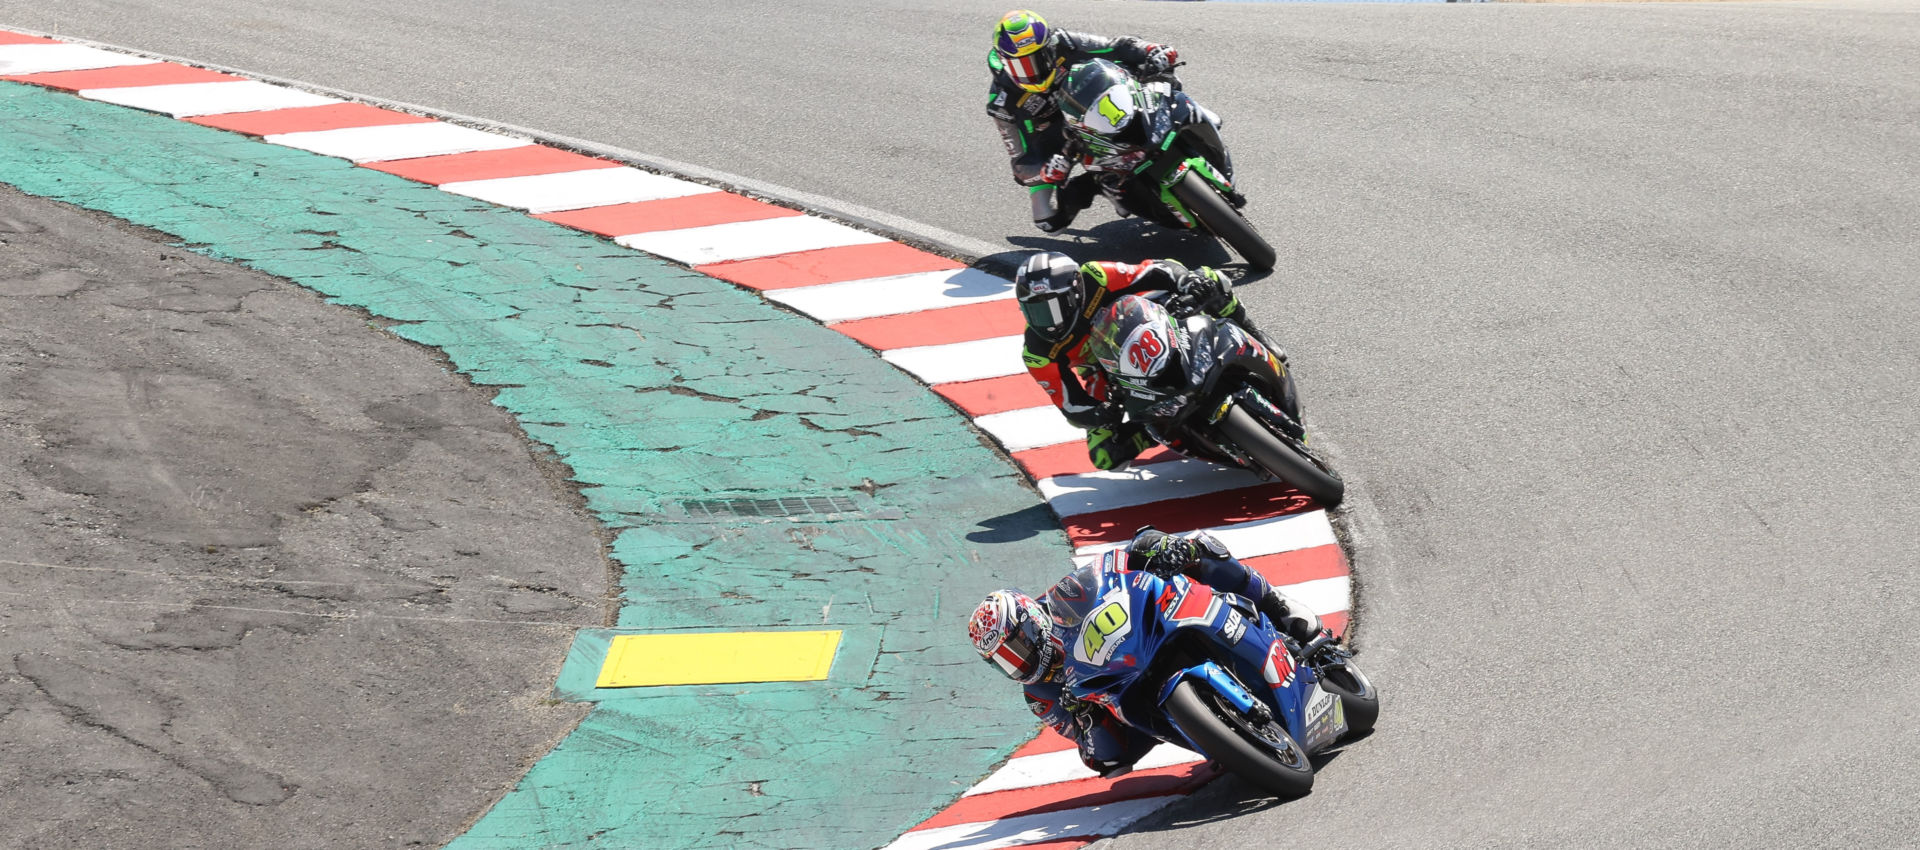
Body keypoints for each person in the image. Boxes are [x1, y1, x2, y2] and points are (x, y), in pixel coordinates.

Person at [967, 527, 1327, 778]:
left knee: (1198, 546)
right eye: (1004, 662)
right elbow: (1105, 761)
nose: (1018, 662)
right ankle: (1221, 735)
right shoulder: (1039, 694)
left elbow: (1114, 563)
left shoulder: (1064, 597)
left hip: (1145, 637)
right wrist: (1085, 719)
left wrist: (1153, 547)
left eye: (1015, 648)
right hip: (1133, 698)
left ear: (1031, 621)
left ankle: (1278, 605)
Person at [1016, 251, 1278, 471]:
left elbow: (1159, 270)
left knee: (1210, 279)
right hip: (1106, 372)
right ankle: (1152, 430)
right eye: (1035, 310)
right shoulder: (1037, 353)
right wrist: (1101, 412)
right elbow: (1070, 404)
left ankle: (1255, 337)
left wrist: (1188, 284)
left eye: (1052, 306)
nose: (1048, 322)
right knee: (1105, 455)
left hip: (1149, 322)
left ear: (1074, 291)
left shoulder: (1096, 275)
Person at [986, 10, 1179, 232]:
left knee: (1160, 70)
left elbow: (1115, 45)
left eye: (1038, 59)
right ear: (1004, 62)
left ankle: (1186, 119)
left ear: (1048, 47)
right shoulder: (1002, 102)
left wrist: (1151, 49)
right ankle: (1095, 185)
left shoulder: (1063, 41)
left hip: (1102, 101)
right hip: (1064, 141)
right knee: (1047, 221)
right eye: (1022, 66)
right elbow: (1020, 165)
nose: (1033, 72)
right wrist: (1044, 171)